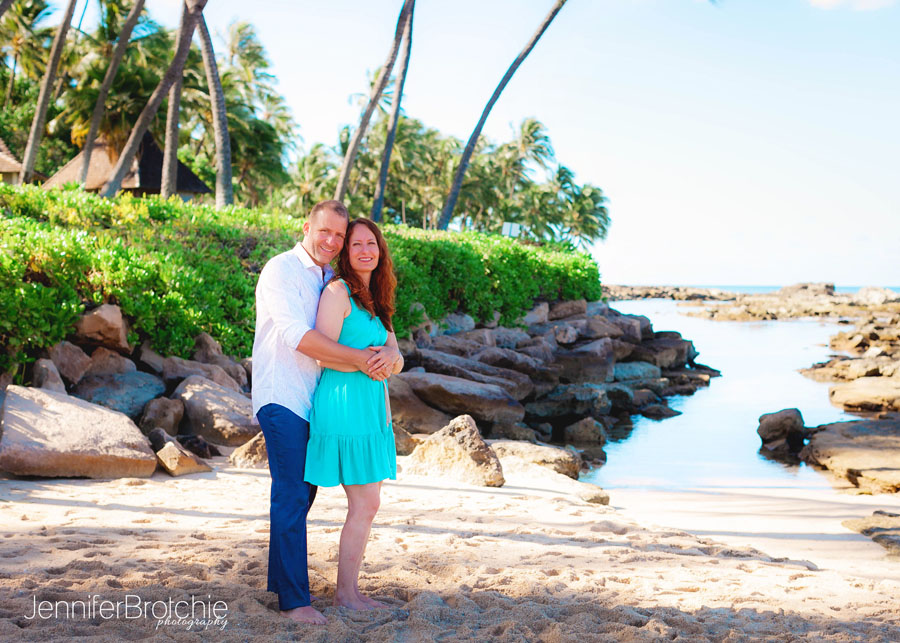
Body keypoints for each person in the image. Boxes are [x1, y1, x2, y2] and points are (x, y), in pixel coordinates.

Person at [251, 200, 399, 625]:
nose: (332, 242)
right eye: (326, 233)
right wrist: (364, 359)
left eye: (340, 235)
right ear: (307, 227)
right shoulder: (281, 270)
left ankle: (283, 583)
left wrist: (386, 357)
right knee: (293, 493)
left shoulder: (330, 276)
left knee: (303, 494)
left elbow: (381, 338)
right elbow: (300, 337)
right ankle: (295, 601)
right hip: (281, 395)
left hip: (312, 397)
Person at [305, 218, 404, 610]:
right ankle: (346, 595)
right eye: (357, 244)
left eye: (372, 244)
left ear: (380, 250)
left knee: (369, 503)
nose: (365, 250)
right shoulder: (337, 292)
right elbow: (321, 351)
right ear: (346, 253)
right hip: (344, 404)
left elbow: (396, 356)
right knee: (365, 504)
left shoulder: (376, 297)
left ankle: (351, 591)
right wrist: (367, 363)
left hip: (372, 411)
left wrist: (391, 359)